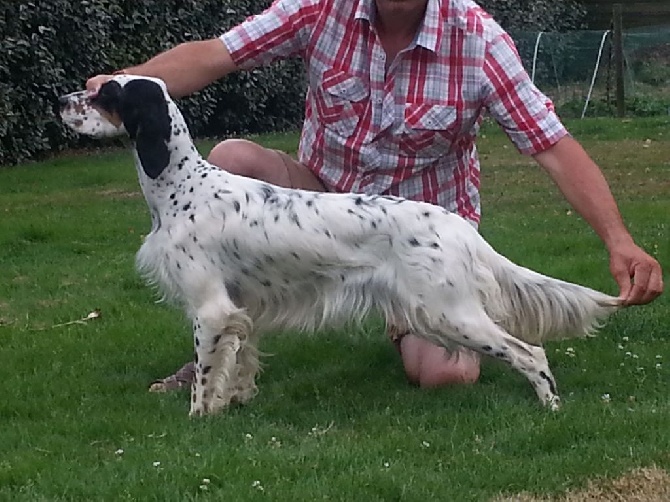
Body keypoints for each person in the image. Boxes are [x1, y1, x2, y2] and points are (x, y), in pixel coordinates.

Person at [87, 0, 663, 391]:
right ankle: (219, 352)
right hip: (320, 205)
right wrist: (122, 85)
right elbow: (218, 54)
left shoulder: (478, 39)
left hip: (416, 235)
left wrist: (619, 240)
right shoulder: (322, 9)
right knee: (233, 160)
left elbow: (551, 144)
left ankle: (417, 313)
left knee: (447, 376)